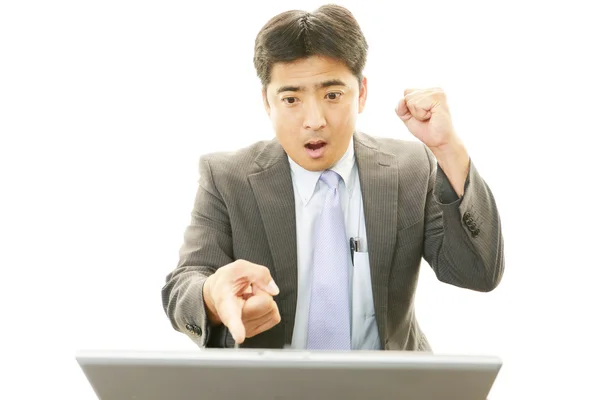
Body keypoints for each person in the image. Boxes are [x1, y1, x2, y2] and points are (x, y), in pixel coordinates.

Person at [161, 4, 504, 351]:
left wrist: (448, 150)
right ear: (267, 102)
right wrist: (212, 296)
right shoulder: (226, 178)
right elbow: (183, 286)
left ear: (362, 93)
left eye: (332, 95)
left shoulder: (410, 168)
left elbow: (478, 272)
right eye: (291, 98)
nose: (314, 120)